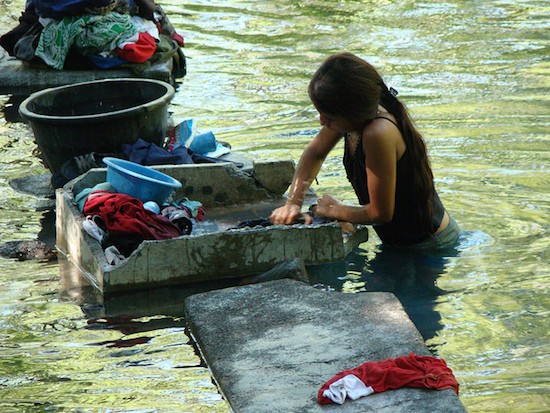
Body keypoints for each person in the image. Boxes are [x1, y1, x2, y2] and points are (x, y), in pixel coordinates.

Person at [270, 52, 460, 250]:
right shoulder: (351, 120)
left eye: (328, 116)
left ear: (353, 111)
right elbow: (314, 153)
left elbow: (380, 213)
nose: (322, 121)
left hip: (429, 245)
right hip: (403, 241)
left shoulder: (377, 133)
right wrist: (293, 202)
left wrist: (334, 209)